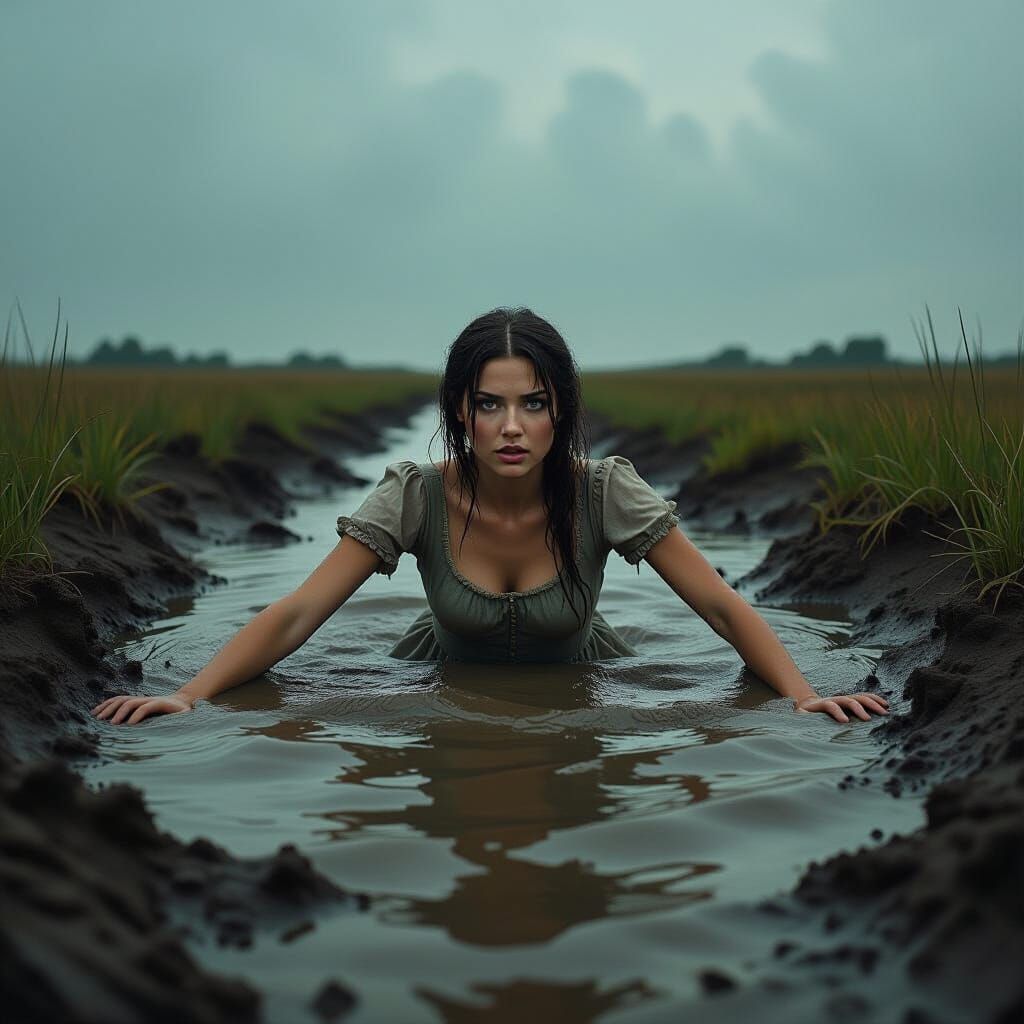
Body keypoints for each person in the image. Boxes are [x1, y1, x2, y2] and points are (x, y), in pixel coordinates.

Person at [92, 307, 889, 727]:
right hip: (432, 671)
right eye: (491, 404)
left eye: (534, 404)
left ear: (560, 413)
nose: (513, 426)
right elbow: (300, 612)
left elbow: (719, 604)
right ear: (461, 413)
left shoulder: (606, 491)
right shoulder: (415, 495)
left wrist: (801, 695)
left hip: (588, 672)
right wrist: (190, 696)